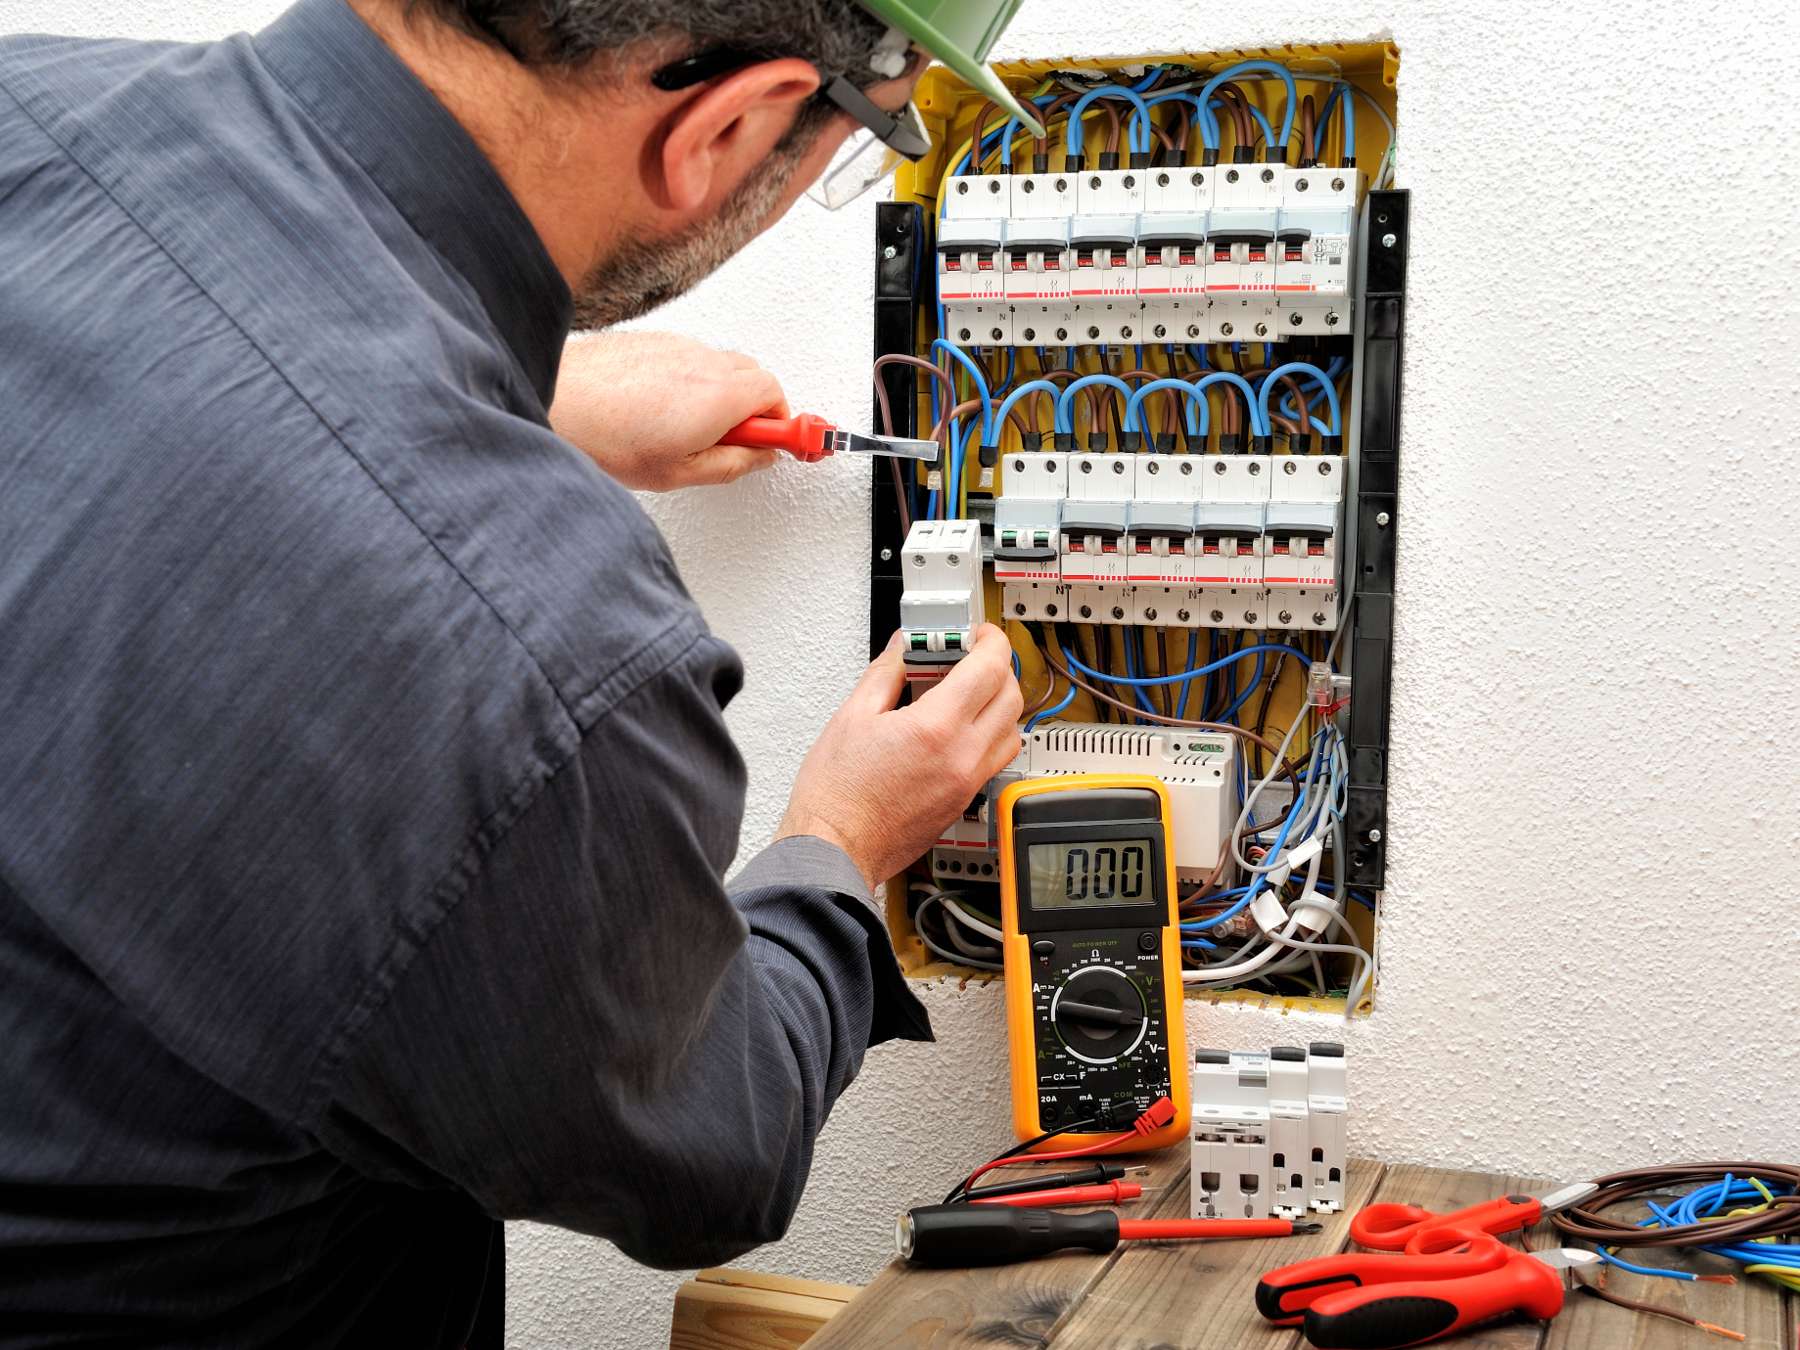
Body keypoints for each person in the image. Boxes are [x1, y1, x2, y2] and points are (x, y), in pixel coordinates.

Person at [0, 0, 1042, 1342]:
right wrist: (840, 841)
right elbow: (708, 1148)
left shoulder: (32, 109)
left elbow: (202, 369)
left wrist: (534, 392)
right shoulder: (546, 665)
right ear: (722, 125)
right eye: (849, 149)